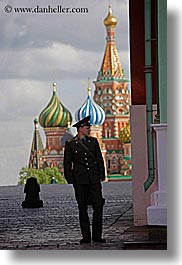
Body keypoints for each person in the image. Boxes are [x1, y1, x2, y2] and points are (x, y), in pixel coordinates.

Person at [64, 115, 106, 244]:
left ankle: (97, 235)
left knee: (98, 206)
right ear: (80, 129)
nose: (89, 129)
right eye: (87, 127)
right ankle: (86, 236)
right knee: (82, 208)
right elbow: (67, 163)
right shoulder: (71, 144)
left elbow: (99, 159)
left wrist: (101, 175)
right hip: (80, 181)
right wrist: (71, 179)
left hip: (93, 179)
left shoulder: (93, 142)